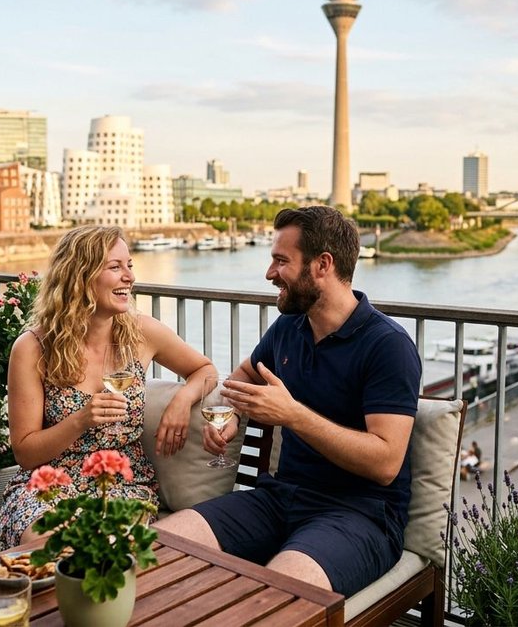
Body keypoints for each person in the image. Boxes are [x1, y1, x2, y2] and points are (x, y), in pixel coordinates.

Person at [155, 206, 422, 597]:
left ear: (322, 265)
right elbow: (245, 375)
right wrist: (231, 415)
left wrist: (293, 415)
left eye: (281, 261)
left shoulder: (387, 346)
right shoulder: (289, 326)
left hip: (360, 516)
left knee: (274, 597)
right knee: (154, 548)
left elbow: (385, 463)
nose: (269, 273)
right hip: (280, 498)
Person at [0, 226, 216, 552]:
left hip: (121, 483)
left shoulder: (141, 333)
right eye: (115, 267)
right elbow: (25, 453)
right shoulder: (33, 348)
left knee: (93, 547)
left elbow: (205, 370)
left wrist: (183, 399)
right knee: (50, 544)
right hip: (49, 484)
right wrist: (79, 420)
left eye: (130, 265)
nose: (129, 277)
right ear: (80, 276)